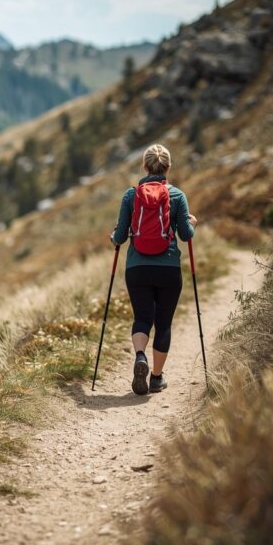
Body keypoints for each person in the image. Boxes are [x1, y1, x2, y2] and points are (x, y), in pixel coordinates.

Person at [111, 144, 197, 395]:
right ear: (168, 167)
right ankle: (157, 378)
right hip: (168, 267)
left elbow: (120, 237)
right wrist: (192, 223)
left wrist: (113, 238)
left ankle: (140, 356)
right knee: (163, 323)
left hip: (137, 268)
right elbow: (184, 234)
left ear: (144, 166)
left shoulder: (131, 195)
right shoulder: (178, 196)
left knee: (142, 317)